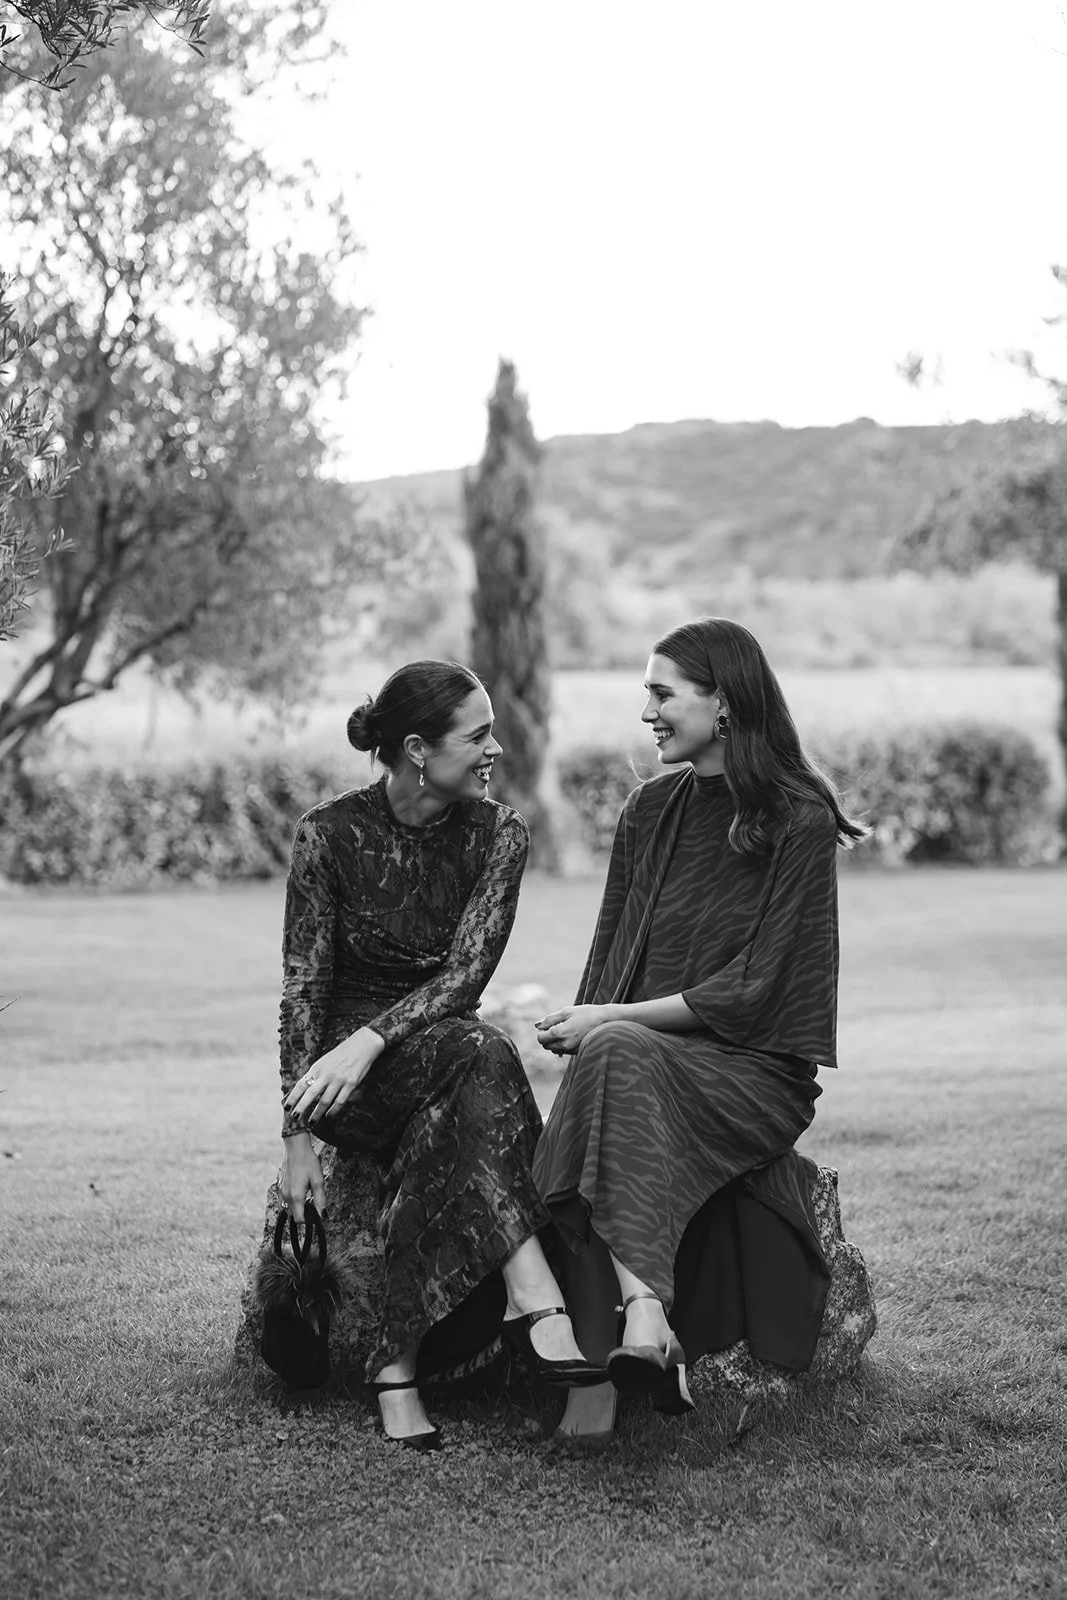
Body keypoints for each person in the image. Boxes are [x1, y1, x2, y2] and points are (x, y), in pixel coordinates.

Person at [532, 617, 866, 1448]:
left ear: (724, 703)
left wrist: (607, 1022)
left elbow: (755, 992)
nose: (644, 711)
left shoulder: (796, 818)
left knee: (613, 1049)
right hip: (637, 1057)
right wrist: (591, 1024)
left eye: (661, 692)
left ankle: (603, 1345)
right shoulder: (648, 810)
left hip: (750, 1073)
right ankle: (644, 1327)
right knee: (609, 1063)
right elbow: (610, 957)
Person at [277, 659, 604, 1450]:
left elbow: (465, 978)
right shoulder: (328, 834)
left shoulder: (499, 834)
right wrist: (295, 1135)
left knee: (466, 1066)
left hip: (426, 1049)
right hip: (345, 1085)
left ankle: (398, 1370)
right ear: (418, 748)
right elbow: (302, 983)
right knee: (480, 1054)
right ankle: (535, 1297)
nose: (495, 748)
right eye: (479, 734)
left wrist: (371, 1039)